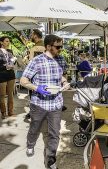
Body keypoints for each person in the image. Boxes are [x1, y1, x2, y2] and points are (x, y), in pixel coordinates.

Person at [20, 34, 69, 169]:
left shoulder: (61, 60)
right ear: (48, 46)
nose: (60, 49)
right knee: (35, 128)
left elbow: (62, 76)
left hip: (56, 103)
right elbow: (23, 80)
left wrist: (65, 81)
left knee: (55, 133)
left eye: (61, 46)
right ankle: (30, 144)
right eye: (58, 47)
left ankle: (51, 159)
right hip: (39, 103)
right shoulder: (36, 61)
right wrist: (37, 88)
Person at [0, 36, 16, 119]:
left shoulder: (10, 51)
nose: (8, 43)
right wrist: (6, 66)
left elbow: (13, 61)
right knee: (2, 95)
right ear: (1, 42)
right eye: (6, 41)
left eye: (9, 41)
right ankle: (3, 113)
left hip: (11, 75)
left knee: (10, 94)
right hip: (2, 76)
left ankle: (10, 112)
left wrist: (14, 61)